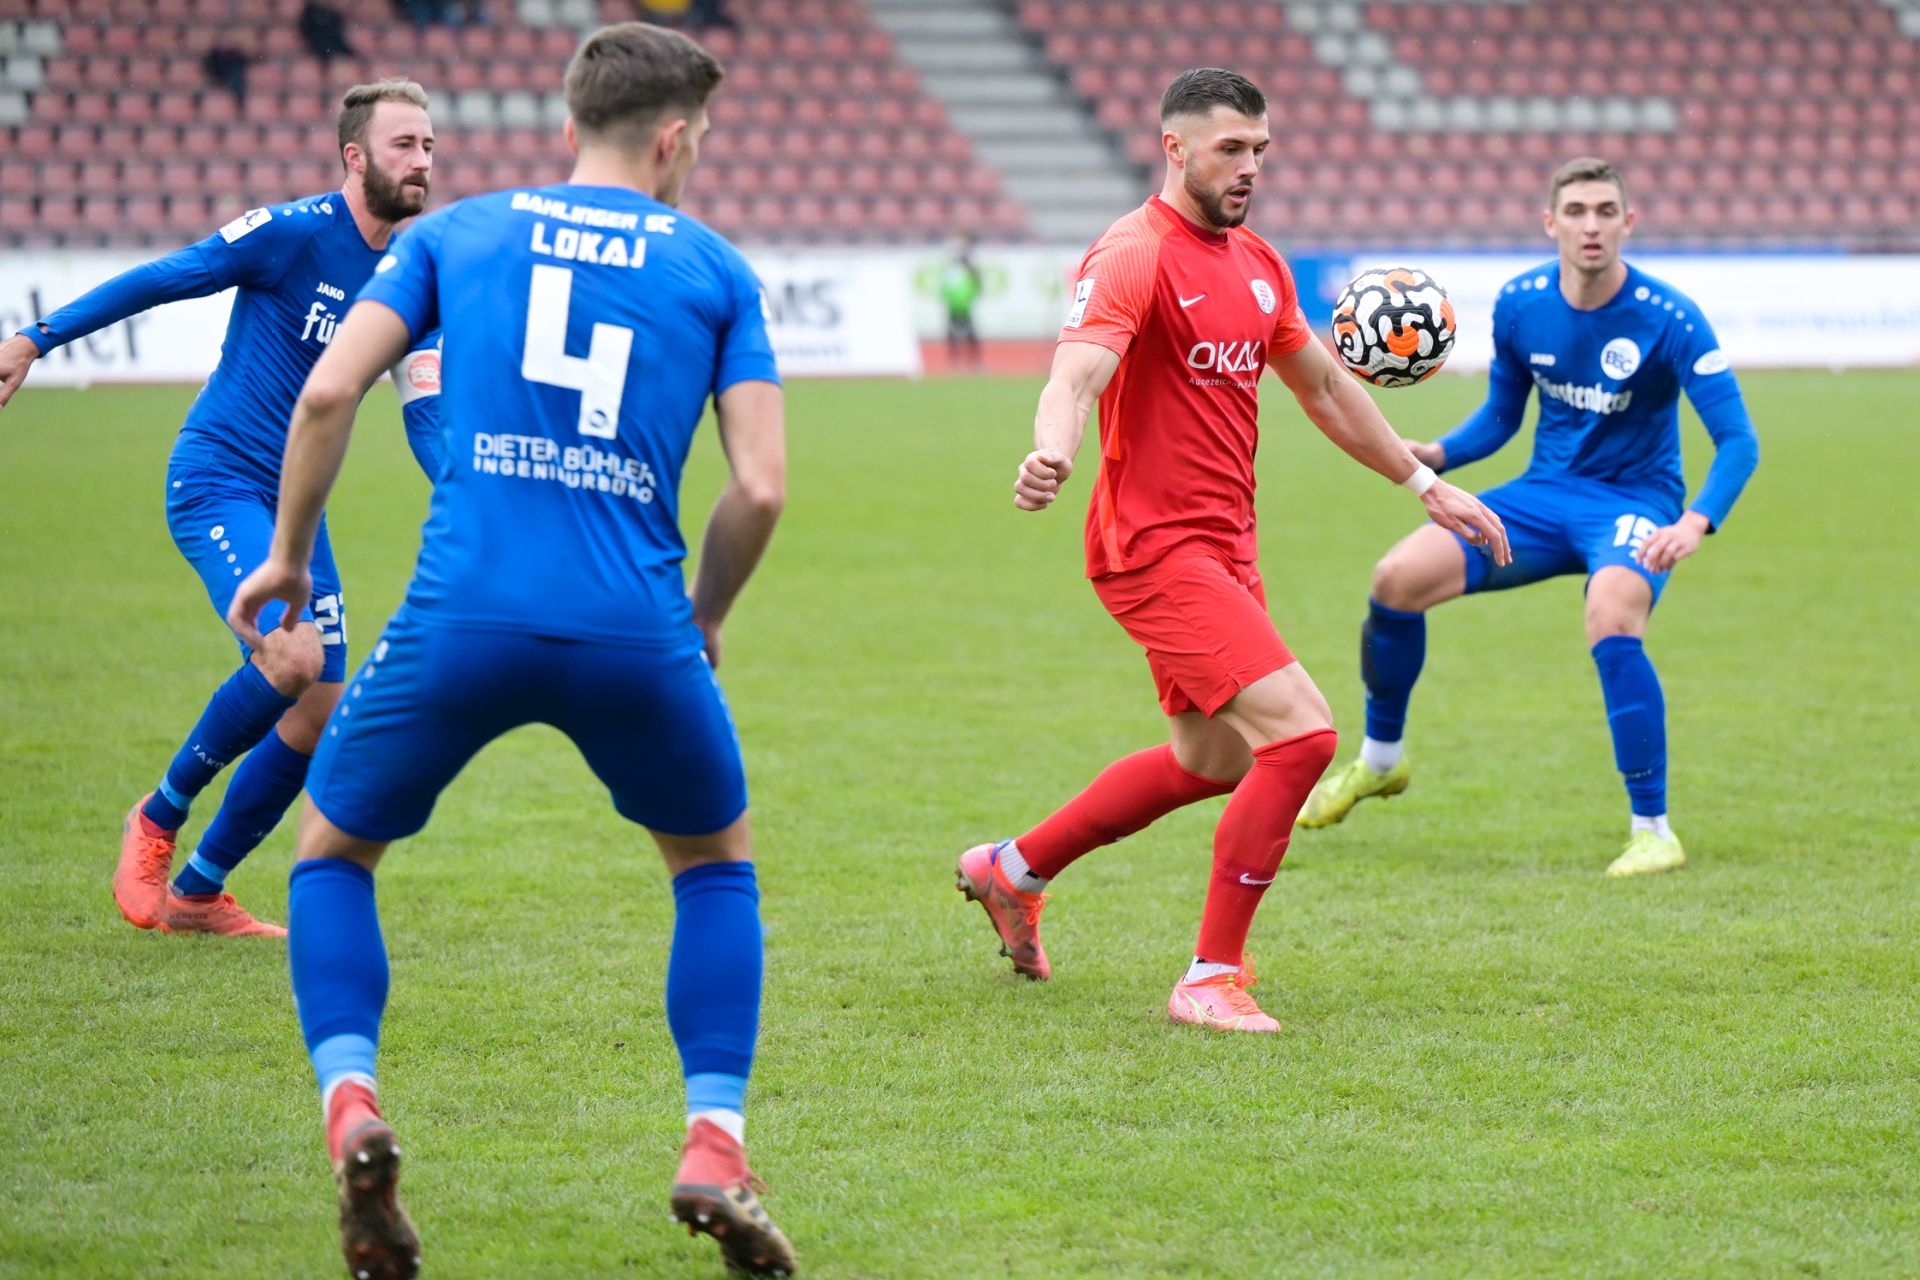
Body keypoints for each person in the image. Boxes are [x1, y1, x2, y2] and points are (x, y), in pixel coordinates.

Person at [227, 23, 794, 1279]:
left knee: (332, 854)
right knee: (713, 868)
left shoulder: (455, 234)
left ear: (570, 123)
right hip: (635, 626)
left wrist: (289, 555)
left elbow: (327, 393)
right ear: (673, 137)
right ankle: (714, 1142)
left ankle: (353, 1106)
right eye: (702, 135)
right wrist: (705, 614)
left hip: (460, 614)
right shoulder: (716, 269)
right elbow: (759, 486)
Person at [954, 68, 1510, 1033]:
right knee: (1302, 736)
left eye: (1260, 149)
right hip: (1151, 548)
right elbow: (1076, 374)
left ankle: (1013, 869)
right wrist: (1053, 451)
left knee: (1210, 761)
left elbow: (1324, 389)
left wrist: (1425, 485)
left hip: (1226, 547)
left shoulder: (1258, 262)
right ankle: (1210, 978)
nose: (1250, 166)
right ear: (1174, 149)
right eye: (1230, 149)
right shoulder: (1133, 254)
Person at [0, 80, 437, 938]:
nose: (422, 161)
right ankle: (156, 817)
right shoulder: (290, 233)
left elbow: (428, 413)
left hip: (297, 508)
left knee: (317, 708)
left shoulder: (413, 278)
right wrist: (34, 338)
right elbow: (167, 278)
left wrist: (474, 488)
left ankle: (200, 891)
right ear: (355, 157)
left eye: (428, 146)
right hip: (220, 480)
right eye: (404, 145)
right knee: (292, 658)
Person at [1296, 158, 1760, 877]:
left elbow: (1738, 441)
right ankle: (1380, 762)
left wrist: (1693, 522)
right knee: (1396, 579)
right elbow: (1502, 416)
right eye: (1576, 211)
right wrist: (1439, 454)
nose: (1591, 225)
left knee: (1612, 613)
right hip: (1543, 496)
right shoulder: (1520, 303)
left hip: (1635, 504)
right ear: (1550, 223)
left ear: (1628, 222)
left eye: (1605, 211)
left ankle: (1654, 830)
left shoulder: (1670, 317)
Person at [939, 231, 983, 371]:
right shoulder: (953, 270)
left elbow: (976, 284)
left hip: (963, 305)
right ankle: (957, 362)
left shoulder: (966, 269)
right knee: (955, 335)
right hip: (955, 305)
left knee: (969, 334)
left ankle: (973, 362)